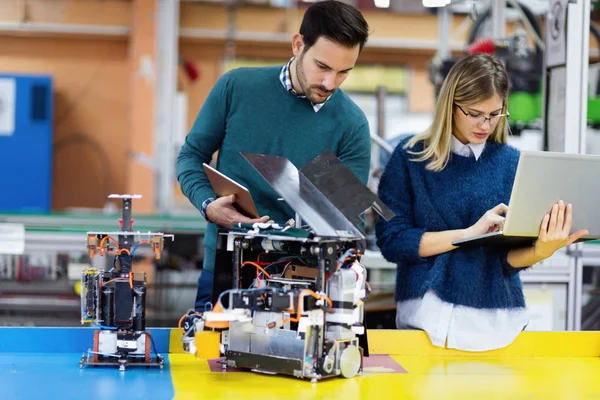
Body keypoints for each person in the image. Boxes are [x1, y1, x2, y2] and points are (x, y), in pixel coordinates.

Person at [375, 53, 588, 352]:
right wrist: (467, 235)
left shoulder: (511, 164)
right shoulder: (410, 157)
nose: (485, 124)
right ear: (450, 105)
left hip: (500, 327)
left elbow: (503, 261)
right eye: (474, 113)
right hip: (427, 323)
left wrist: (541, 250)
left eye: (495, 114)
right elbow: (393, 241)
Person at [176, 0, 372, 312]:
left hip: (305, 283)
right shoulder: (238, 88)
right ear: (298, 45)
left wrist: (350, 265)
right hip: (227, 272)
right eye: (322, 66)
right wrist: (209, 206)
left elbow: (347, 218)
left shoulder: (349, 124)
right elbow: (190, 157)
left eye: (343, 72)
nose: (329, 83)